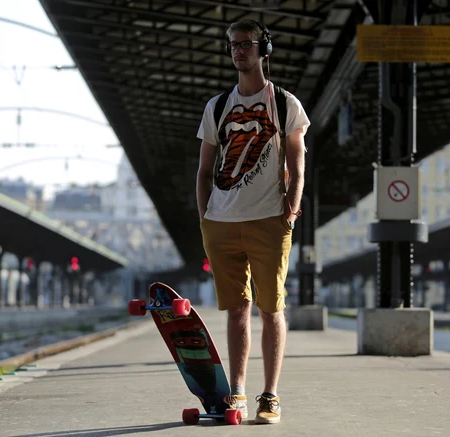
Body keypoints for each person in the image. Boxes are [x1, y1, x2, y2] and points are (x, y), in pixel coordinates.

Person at [196, 19, 310, 424]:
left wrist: (291, 215)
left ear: (265, 49)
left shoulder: (284, 103)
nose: (238, 51)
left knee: (270, 308)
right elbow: (205, 170)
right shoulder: (217, 106)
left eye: (246, 44)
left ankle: (271, 395)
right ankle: (238, 392)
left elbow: (297, 166)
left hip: (268, 221)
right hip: (221, 223)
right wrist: (205, 219)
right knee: (237, 310)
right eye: (232, 45)